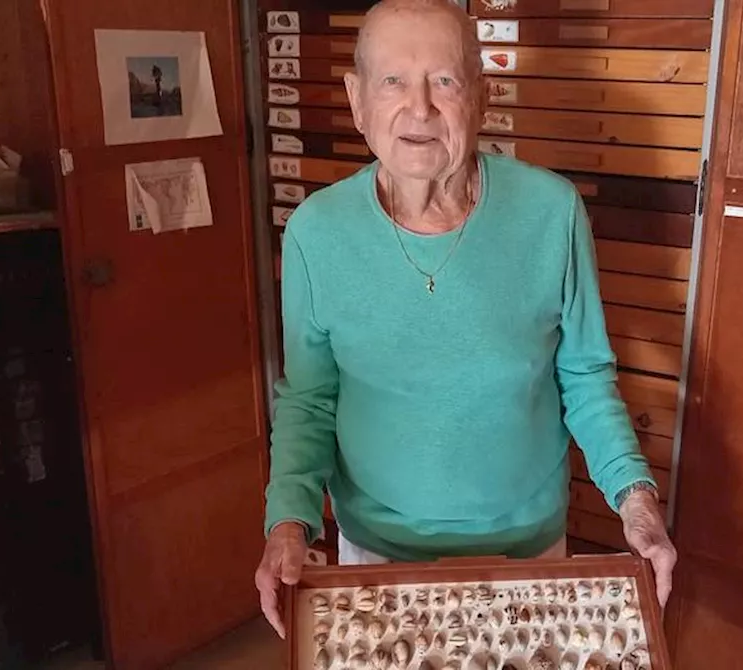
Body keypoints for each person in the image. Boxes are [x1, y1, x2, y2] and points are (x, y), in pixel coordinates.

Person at [253, 0, 678, 639]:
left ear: (480, 95)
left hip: (526, 554)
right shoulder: (317, 231)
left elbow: (585, 378)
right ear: (356, 98)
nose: (419, 108)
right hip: (377, 555)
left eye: (444, 81)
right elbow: (310, 401)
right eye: (393, 80)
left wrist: (635, 500)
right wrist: (288, 524)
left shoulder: (550, 212)